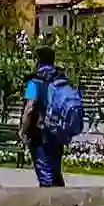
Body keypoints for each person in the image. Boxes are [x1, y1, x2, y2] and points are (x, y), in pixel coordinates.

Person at [21, 44, 81, 187]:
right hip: (57, 132)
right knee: (55, 174)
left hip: (39, 135)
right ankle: (64, 205)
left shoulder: (33, 82)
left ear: (38, 61)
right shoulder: (60, 79)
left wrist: (23, 129)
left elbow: (30, 107)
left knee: (46, 178)